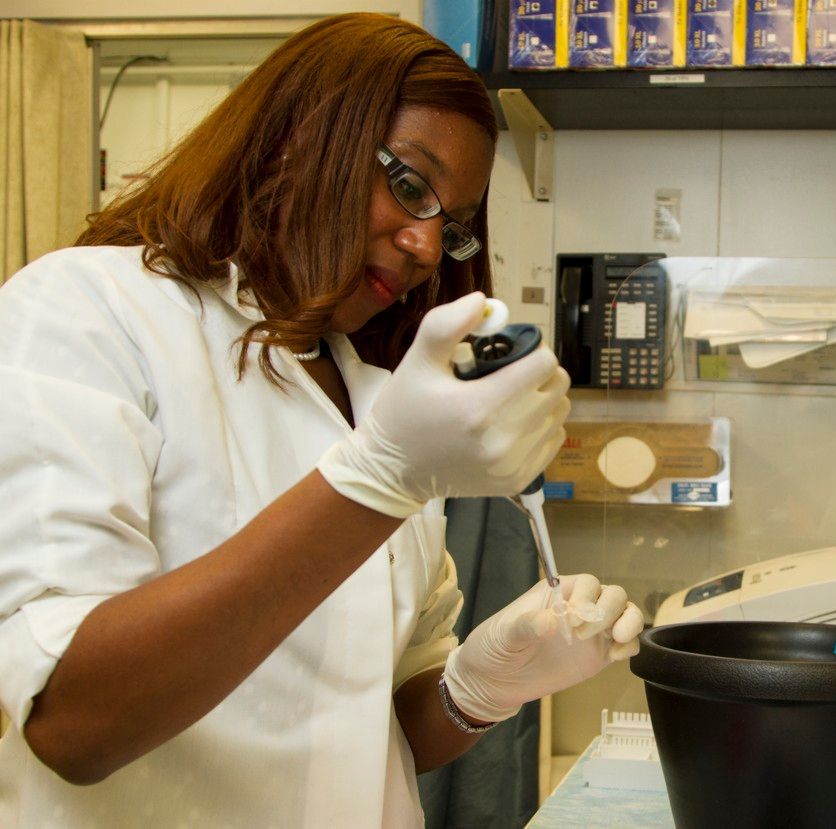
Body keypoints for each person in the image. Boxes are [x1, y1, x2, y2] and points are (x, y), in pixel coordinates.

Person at [0, 14, 642, 826]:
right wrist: (377, 477)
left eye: (451, 228)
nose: (420, 243)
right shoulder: (88, 312)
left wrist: (482, 686)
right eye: (410, 185)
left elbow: (382, 728)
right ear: (295, 137)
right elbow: (70, 718)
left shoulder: (373, 392)